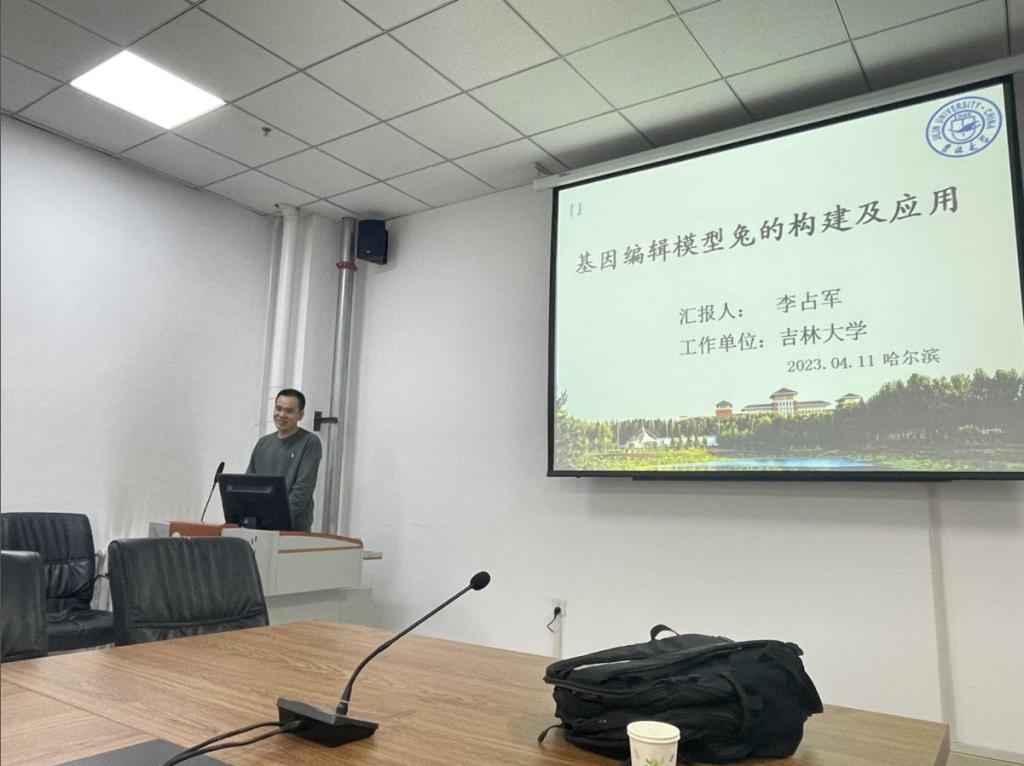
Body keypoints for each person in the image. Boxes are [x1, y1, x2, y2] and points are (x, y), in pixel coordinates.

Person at [246, 388, 321, 532]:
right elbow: (249, 484)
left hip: (293, 528)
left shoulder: (310, 442)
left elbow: (302, 488)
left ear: (300, 415)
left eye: (289, 411)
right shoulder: (263, 443)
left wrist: (278, 518)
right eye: (278, 409)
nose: (281, 415)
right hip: (259, 526)